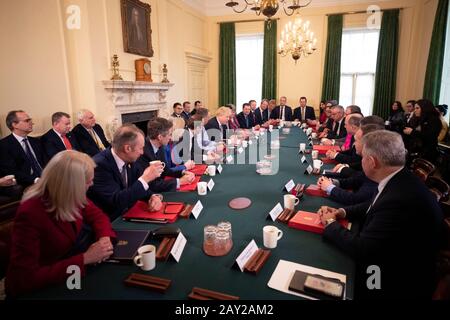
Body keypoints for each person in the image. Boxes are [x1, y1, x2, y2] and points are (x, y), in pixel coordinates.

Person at [318, 130, 443, 299]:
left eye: (362, 158)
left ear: (371, 162)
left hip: (390, 282)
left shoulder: (398, 201)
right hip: (398, 258)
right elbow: (373, 205)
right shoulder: (400, 177)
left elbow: (364, 251)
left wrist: (331, 223)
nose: (361, 161)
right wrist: (342, 212)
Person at [6, 150, 115, 297]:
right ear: (71, 185)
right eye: (88, 181)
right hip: (42, 287)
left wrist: (104, 239)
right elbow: (25, 279)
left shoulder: (70, 195)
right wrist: (86, 258)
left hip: (68, 269)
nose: (92, 184)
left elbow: (98, 216)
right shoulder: (30, 212)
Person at [88, 124, 164, 220]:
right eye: (140, 148)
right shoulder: (99, 165)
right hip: (111, 221)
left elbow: (136, 186)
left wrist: (152, 197)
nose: (142, 152)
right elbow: (117, 201)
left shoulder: (130, 159)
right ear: (127, 148)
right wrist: (146, 178)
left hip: (129, 214)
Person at [318, 124, 378, 205]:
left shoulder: (375, 169)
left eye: (356, 141)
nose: (354, 144)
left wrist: (330, 188)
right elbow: (357, 180)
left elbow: (355, 199)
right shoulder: (370, 161)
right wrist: (332, 182)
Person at [137, 118, 195, 190]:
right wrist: (179, 182)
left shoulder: (160, 146)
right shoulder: (142, 152)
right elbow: (151, 185)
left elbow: (166, 170)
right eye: (170, 134)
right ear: (160, 137)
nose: (171, 138)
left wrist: (183, 172)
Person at [0, 110, 46, 187]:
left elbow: (45, 162)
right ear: (15, 125)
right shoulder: (4, 145)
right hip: (28, 182)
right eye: (27, 121)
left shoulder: (35, 141)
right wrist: (36, 180)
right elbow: (12, 171)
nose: (32, 123)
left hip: (45, 177)